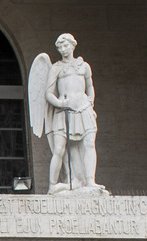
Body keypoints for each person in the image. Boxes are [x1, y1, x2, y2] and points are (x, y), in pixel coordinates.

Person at [44, 33, 99, 192]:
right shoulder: (57, 67)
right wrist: (60, 103)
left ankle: (90, 181)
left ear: (73, 45)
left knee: (89, 144)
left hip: (83, 109)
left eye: (65, 45)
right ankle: (52, 184)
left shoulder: (83, 66)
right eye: (60, 47)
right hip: (64, 111)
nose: (63, 49)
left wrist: (90, 101)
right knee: (60, 149)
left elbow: (90, 86)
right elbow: (48, 93)